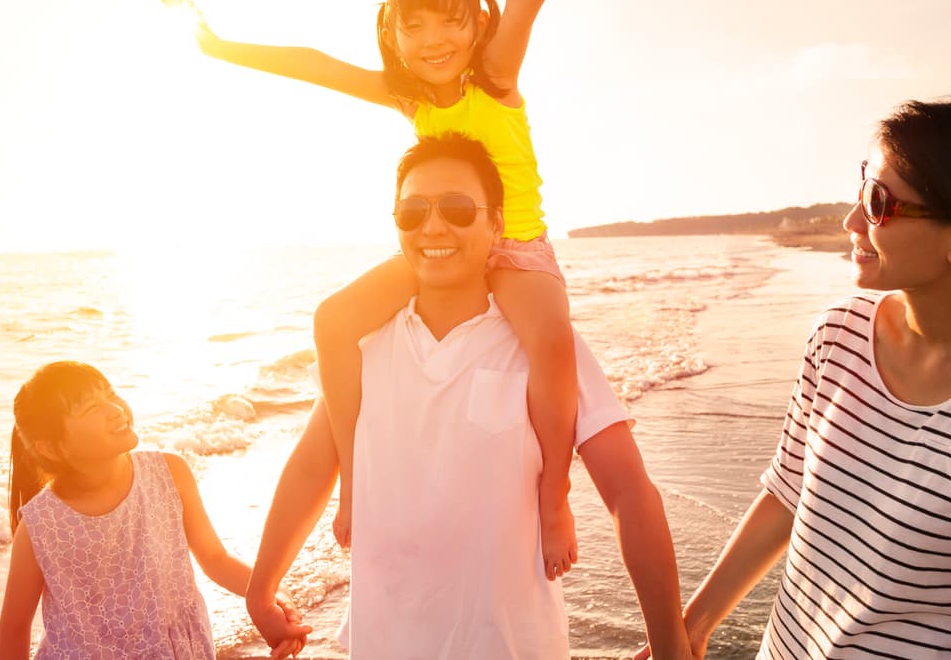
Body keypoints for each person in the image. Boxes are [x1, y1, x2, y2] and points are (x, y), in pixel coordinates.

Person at [163, 0, 620, 580]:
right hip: (438, 246)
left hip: (518, 247)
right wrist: (219, 46)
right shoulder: (407, 94)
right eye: (414, 27)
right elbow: (315, 63)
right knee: (334, 320)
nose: (432, 41)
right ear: (394, 34)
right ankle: (353, 472)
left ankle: (553, 497)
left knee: (554, 344)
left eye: (448, 23)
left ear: (475, 25)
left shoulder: (494, 77)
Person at [243, 132, 694, 659]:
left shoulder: (545, 346)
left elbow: (629, 491)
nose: (433, 226)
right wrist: (261, 590)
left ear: (496, 224)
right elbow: (310, 468)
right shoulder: (367, 346)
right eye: (413, 212)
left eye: (458, 208)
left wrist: (670, 644)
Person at [682, 99, 951, 659]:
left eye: (879, 203)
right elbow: (787, 493)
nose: (852, 221)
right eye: (862, 189)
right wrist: (692, 626)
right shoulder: (839, 333)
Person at [0, 361, 309, 660]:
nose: (115, 409)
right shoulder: (41, 526)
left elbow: (216, 559)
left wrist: (274, 596)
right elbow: (14, 627)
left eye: (110, 394)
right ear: (53, 448)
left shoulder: (169, 473)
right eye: (92, 409)